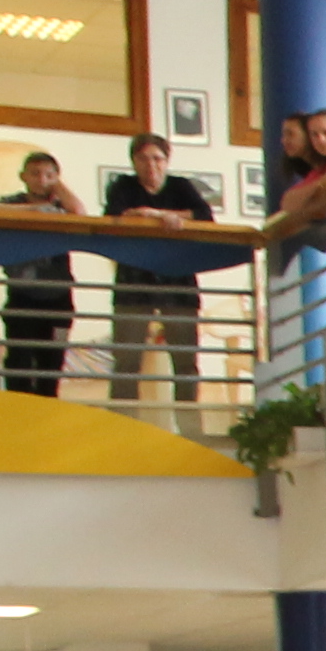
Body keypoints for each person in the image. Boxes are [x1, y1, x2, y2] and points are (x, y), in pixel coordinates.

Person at [101, 131, 221, 430]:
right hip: (134, 279)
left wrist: (153, 213)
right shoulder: (123, 185)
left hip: (177, 280)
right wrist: (163, 217)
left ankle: (190, 430)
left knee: (185, 361)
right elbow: (115, 217)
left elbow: (204, 216)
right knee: (127, 360)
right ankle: (122, 427)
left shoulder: (180, 186)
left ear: (167, 161)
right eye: (143, 158)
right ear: (134, 161)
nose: (151, 165)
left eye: (157, 158)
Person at [0, 148, 88, 397]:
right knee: (19, 361)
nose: (41, 180)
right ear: (23, 176)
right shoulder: (13, 202)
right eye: (35, 174)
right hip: (22, 293)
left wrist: (58, 188)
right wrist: (34, 210)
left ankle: (47, 407)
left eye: (48, 175)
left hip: (58, 296)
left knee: (52, 361)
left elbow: (80, 211)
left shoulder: (62, 207)